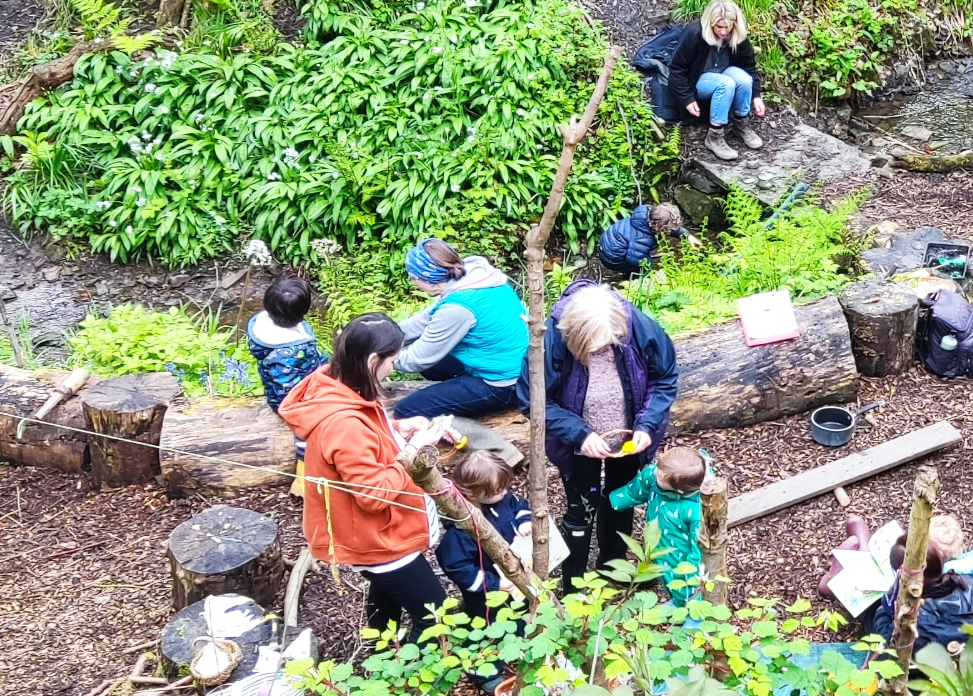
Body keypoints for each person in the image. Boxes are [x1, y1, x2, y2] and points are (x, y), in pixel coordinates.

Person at [281, 313, 455, 642]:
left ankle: (378, 660)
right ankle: (411, 686)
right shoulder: (343, 423)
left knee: (387, 600)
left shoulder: (340, 384)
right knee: (435, 616)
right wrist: (414, 449)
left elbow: (367, 438)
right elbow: (373, 497)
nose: (393, 369)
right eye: (392, 361)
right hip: (377, 539)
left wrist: (399, 429)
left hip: (374, 534)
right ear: (373, 359)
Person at [518, 280, 680, 592]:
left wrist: (647, 425)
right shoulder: (553, 338)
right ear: (575, 336)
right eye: (595, 347)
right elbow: (532, 399)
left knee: (622, 498)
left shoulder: (636, 325)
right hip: (578, 444)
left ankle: (612, 570)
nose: (605, 350)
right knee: (582, 505)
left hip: (628, 438)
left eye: (611, 343)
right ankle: (574, 588)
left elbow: (665, 377)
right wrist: (578, 434)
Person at [393, 239, 530, 421]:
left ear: (429, 278)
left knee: (405, 410)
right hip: (517, 364)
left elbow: (417, 360)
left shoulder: (458, 308)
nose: (413, 283)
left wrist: (380, 360)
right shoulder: (474, 279)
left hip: (504, 383)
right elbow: (421, 322)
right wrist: (379, 338)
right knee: (433, 368)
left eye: (413, 278)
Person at [869, 515, 973, 652]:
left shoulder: (916, 618)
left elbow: (893, 642)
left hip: (929, 668)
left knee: (871, 610)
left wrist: (881, 613)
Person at [436, 449, 532, 625]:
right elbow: (457, 567)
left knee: (522, 611)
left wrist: (524, 522)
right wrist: (494, 583)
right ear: (473, 494)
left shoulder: (503, 499)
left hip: (516, 574)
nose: (505, 492)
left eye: (505, 487)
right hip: (489, 596)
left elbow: (519, 506)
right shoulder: (461, 531)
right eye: (498, 490)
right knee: (495, 623)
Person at [668, 0, 766, 161]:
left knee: (744, 79)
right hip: (700, 79)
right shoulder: (694, 34)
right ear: (710, 22)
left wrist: (756, 95)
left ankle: (741, 123)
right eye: (719, 27)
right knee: (726, 84)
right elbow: (676, 68)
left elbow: (749, 66)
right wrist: (686, 98)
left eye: (727, 27)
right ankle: (714, 136)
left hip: (724, 71)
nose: (723, 32)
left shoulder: (737, 35)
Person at [248, 276, 328, 471]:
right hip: (289, 398)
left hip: (290, 384)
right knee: (314, 422)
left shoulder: (264, 329)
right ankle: (305, 457)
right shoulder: (289, 352)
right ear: (304, 310)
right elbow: (289, 393)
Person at [609, 446, 707, 602]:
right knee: (665, 576)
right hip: (659, 541)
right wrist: (613, 500)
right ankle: (677, 603)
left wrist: (693, 563)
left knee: (682, 581)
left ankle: (694, 616)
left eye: (660, 477)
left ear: (679, 491)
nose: (655, 473)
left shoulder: (694, 509)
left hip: (680, 550)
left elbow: (700, 542)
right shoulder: (658, 475)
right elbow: (638, 487)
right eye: (658, 468)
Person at [598, 202, 701, 279]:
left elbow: (670, 227)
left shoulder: (644, 215)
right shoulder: (643, 238)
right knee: (644, 267)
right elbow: (634, 259)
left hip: (608, 245)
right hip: (611, 258)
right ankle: (632, 282)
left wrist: (687, 236)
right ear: (660, 229)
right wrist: (650, 264)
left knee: (643, 258)